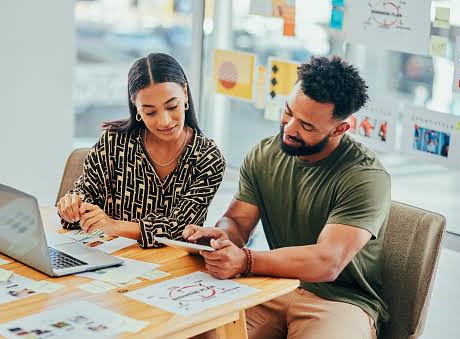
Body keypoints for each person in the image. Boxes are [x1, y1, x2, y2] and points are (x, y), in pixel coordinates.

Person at [185, 56, 390, 339]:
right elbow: (237, 221)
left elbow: (326, 262)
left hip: (340, 300)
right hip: (275, 284)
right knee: (196, 331)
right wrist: (221, 239)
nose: (290, 128)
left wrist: (245, 260)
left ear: (340, 129)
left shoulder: (365, 177)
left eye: (307, 126)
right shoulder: (263, 154)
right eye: (288, 112)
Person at [57, 53, 226, 248]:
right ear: (136, 108)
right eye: (150, 112)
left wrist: (113, 226)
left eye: (172, 106)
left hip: (171, 269)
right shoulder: (114, 141)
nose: (165, 121)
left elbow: (180, 230)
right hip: (109, 258)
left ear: (185, 94)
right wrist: (73, 206)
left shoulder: (207, 158)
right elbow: (85, 195)